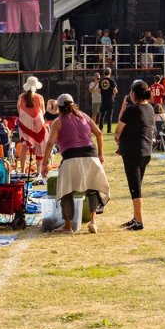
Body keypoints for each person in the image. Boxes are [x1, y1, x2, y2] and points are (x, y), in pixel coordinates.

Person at [42, 93, 110, 234]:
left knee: (67, 192)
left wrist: (44, 163)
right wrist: (100, 154)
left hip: (70, 159)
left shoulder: (58, 121)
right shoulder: (84, 116)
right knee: (92, 189)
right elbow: (99, 133)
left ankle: (68, 226)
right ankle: (93, 221)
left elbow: (50, 143)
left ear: (59, 108)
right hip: (91, 157)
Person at [115, 79, 155, 231]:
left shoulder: (131, 110)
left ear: (133, 93)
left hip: (133, 152)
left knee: (135, 188)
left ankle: (139, 221)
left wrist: (120, 145)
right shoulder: (150, 108)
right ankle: (135, 217)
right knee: (137, 186)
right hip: (146, 152)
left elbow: (118, 131)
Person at [17, 75, 49, 178]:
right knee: (39, 146)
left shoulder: (21, 97)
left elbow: (19, 110)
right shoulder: (39, 97)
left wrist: (27, 118)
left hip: (25, 124)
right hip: (38, 124)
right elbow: (43, 111)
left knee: (24, 147)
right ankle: (38, 171)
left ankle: (22, 171)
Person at [91, 68, 118, 133]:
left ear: (104, 73)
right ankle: (109, 130)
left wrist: (102, 93)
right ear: (110, 73)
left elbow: (97, 89)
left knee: (102, 116)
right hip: (110, 101)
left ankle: (100, 129)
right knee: (109, 116)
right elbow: (116, 90)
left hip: (103, 100)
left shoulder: (101, 81)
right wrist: (113, 93)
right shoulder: (112, 81)